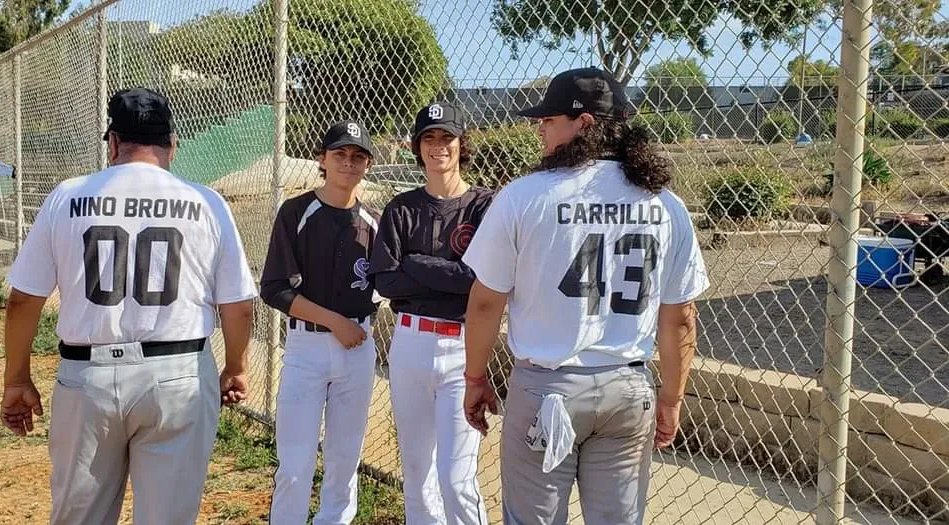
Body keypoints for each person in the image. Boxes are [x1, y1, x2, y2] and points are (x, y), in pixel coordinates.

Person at [460, 67, 710, 525]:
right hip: (627, 389)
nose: (540, 128)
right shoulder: (665, 205)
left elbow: (484, 303)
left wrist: (475, 378)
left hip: (548, 386)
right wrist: (671, 398)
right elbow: (680, 319)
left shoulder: (525, 195)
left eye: (549, 119)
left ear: (584, 123)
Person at [0, 87, 258, 525]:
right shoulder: (207, 203)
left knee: (79, 517)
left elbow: (24, 299)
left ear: (113, 143)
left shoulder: (68, 195)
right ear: (172, 144)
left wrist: (17, 378)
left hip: (88, 376)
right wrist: (236, 366)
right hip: (178, 375)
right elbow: (239, 306)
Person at [369, 102, 491, 525]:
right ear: (417, 147)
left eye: (446, 138)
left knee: (456, 475)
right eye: (429, 138)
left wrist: (416, 263)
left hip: (464, 345)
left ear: (461, 144)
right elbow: (385, 281)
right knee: (417, 471)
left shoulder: (483, 206)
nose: (438, 147)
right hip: (410, 341)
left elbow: (482, 279)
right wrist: (452, 277)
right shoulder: (401, 208)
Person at [260, 120, 381, 524]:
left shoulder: (374, 220)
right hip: (306, 348)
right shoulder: (297, 212)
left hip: (358, 348)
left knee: (345, 460)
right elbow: (275, 288)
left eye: (358, 155)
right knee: (295, 465)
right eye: (340, 154)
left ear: (366, 165)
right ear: (322, 160)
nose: (349, 162)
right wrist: (334, 321)